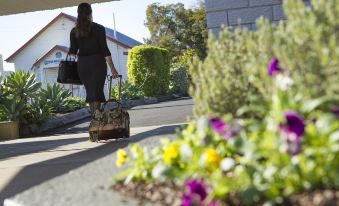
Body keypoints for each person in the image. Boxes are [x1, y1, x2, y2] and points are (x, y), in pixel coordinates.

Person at [69, 3, 119, 139]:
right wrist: (112, 68)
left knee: (92, 94)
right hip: (97, 64)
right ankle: (96, 127)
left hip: (83, 66)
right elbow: (104, 50)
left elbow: (73, 52)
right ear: (90, 13)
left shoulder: (74, 31)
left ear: (78, 14)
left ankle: (95, 128)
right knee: (96, 93)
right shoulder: (99, 29)